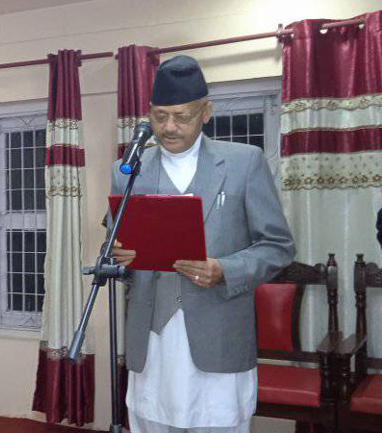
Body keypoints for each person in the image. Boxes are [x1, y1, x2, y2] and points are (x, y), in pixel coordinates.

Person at [110, 55, 295, 432]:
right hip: (152, 343)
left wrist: (226, 269)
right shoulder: (128, 171)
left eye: (182, 116)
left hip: (219, 338)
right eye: (160, 116)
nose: (169, 127)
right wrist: (119, 258)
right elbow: (116, 249)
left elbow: (278, 246)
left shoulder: (244, 163)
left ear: (206, 112)